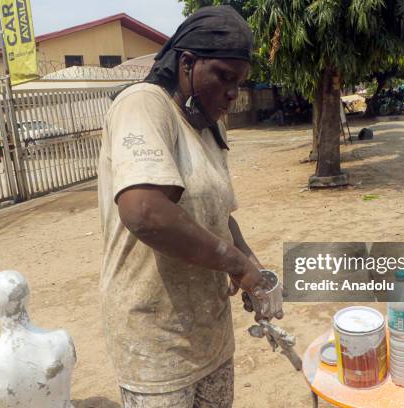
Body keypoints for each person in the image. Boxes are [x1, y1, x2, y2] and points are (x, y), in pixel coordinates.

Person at [97, 6, 282, 408]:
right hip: (156, 344)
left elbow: (221, 215)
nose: (234, 92)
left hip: (210, 334)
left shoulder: (209, 127)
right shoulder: (144, 104)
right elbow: (144, 213)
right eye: (224, 76)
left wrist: (253, 264)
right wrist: (235, 264)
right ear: (187, 63)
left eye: (241, 81)